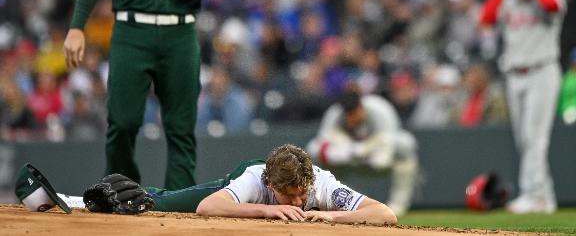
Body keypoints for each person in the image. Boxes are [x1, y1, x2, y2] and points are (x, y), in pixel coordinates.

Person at [62, 0, 227, 189]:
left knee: (181, 127)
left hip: (181, 32)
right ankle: (119, 191)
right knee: (122, 122)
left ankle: (178, 203)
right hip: (131, 30)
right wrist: (77, 26)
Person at [16, 144, 398, 225]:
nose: (298, 200)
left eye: (302, 192)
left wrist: (330, 219)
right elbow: (207, 208)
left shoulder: (321, 185)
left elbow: (385, 214)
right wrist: (268, 207)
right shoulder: (256, 179)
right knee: (154, 202)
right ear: (271, 183)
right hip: (236, 179)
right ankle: (58, 197)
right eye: (289, 195)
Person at [479, 0, 565, 214]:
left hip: (542, 71)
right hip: (515, 75)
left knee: (534, 138)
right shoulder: (508, 1)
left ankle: (535, 195)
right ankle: (543, 196)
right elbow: (486, 17)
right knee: (523, 139)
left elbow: (550, 4)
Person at [306, 89, 419, 216]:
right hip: (345, 162)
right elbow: (324, 144)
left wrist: (364, 150)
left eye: (354, 113)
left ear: (361, 107)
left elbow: (383, 158)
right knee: (313, 148)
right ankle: (327, 201)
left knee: (405, 143)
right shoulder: (334, 114)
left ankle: (398, 205)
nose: (351, 119)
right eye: (347, 114)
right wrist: (349, 152)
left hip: (376, 160)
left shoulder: (379, 109)